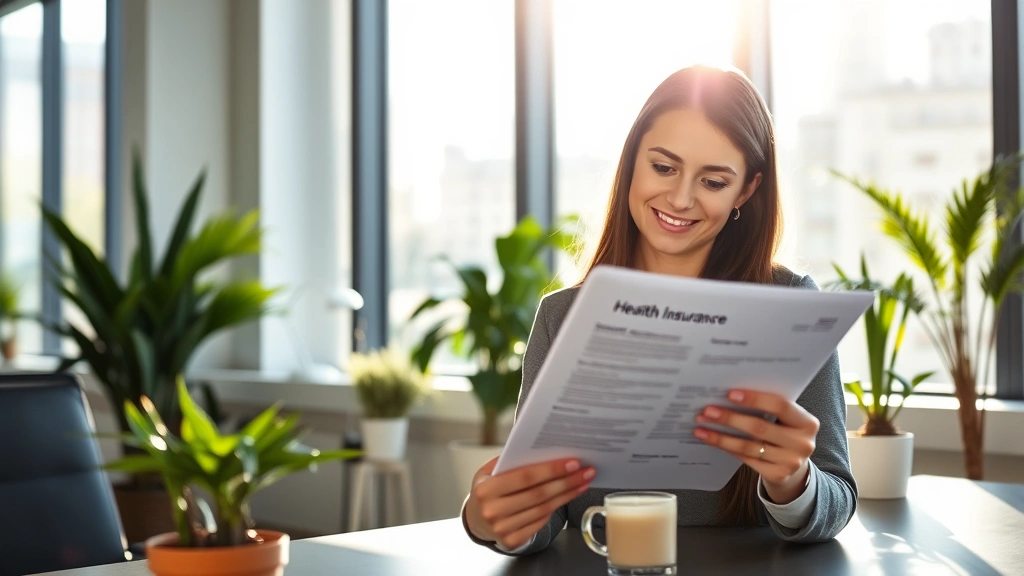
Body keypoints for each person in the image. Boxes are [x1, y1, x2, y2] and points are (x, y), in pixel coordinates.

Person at [461, 65, 857, 555]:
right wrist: (493, 520)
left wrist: (793, 480)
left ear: (746, 191)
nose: (681, 198)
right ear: (632, 162)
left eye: (713, 181)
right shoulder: (563, 317)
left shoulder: (790, 306)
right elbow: (546, 515)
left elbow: (838, 500)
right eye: (664, 168)